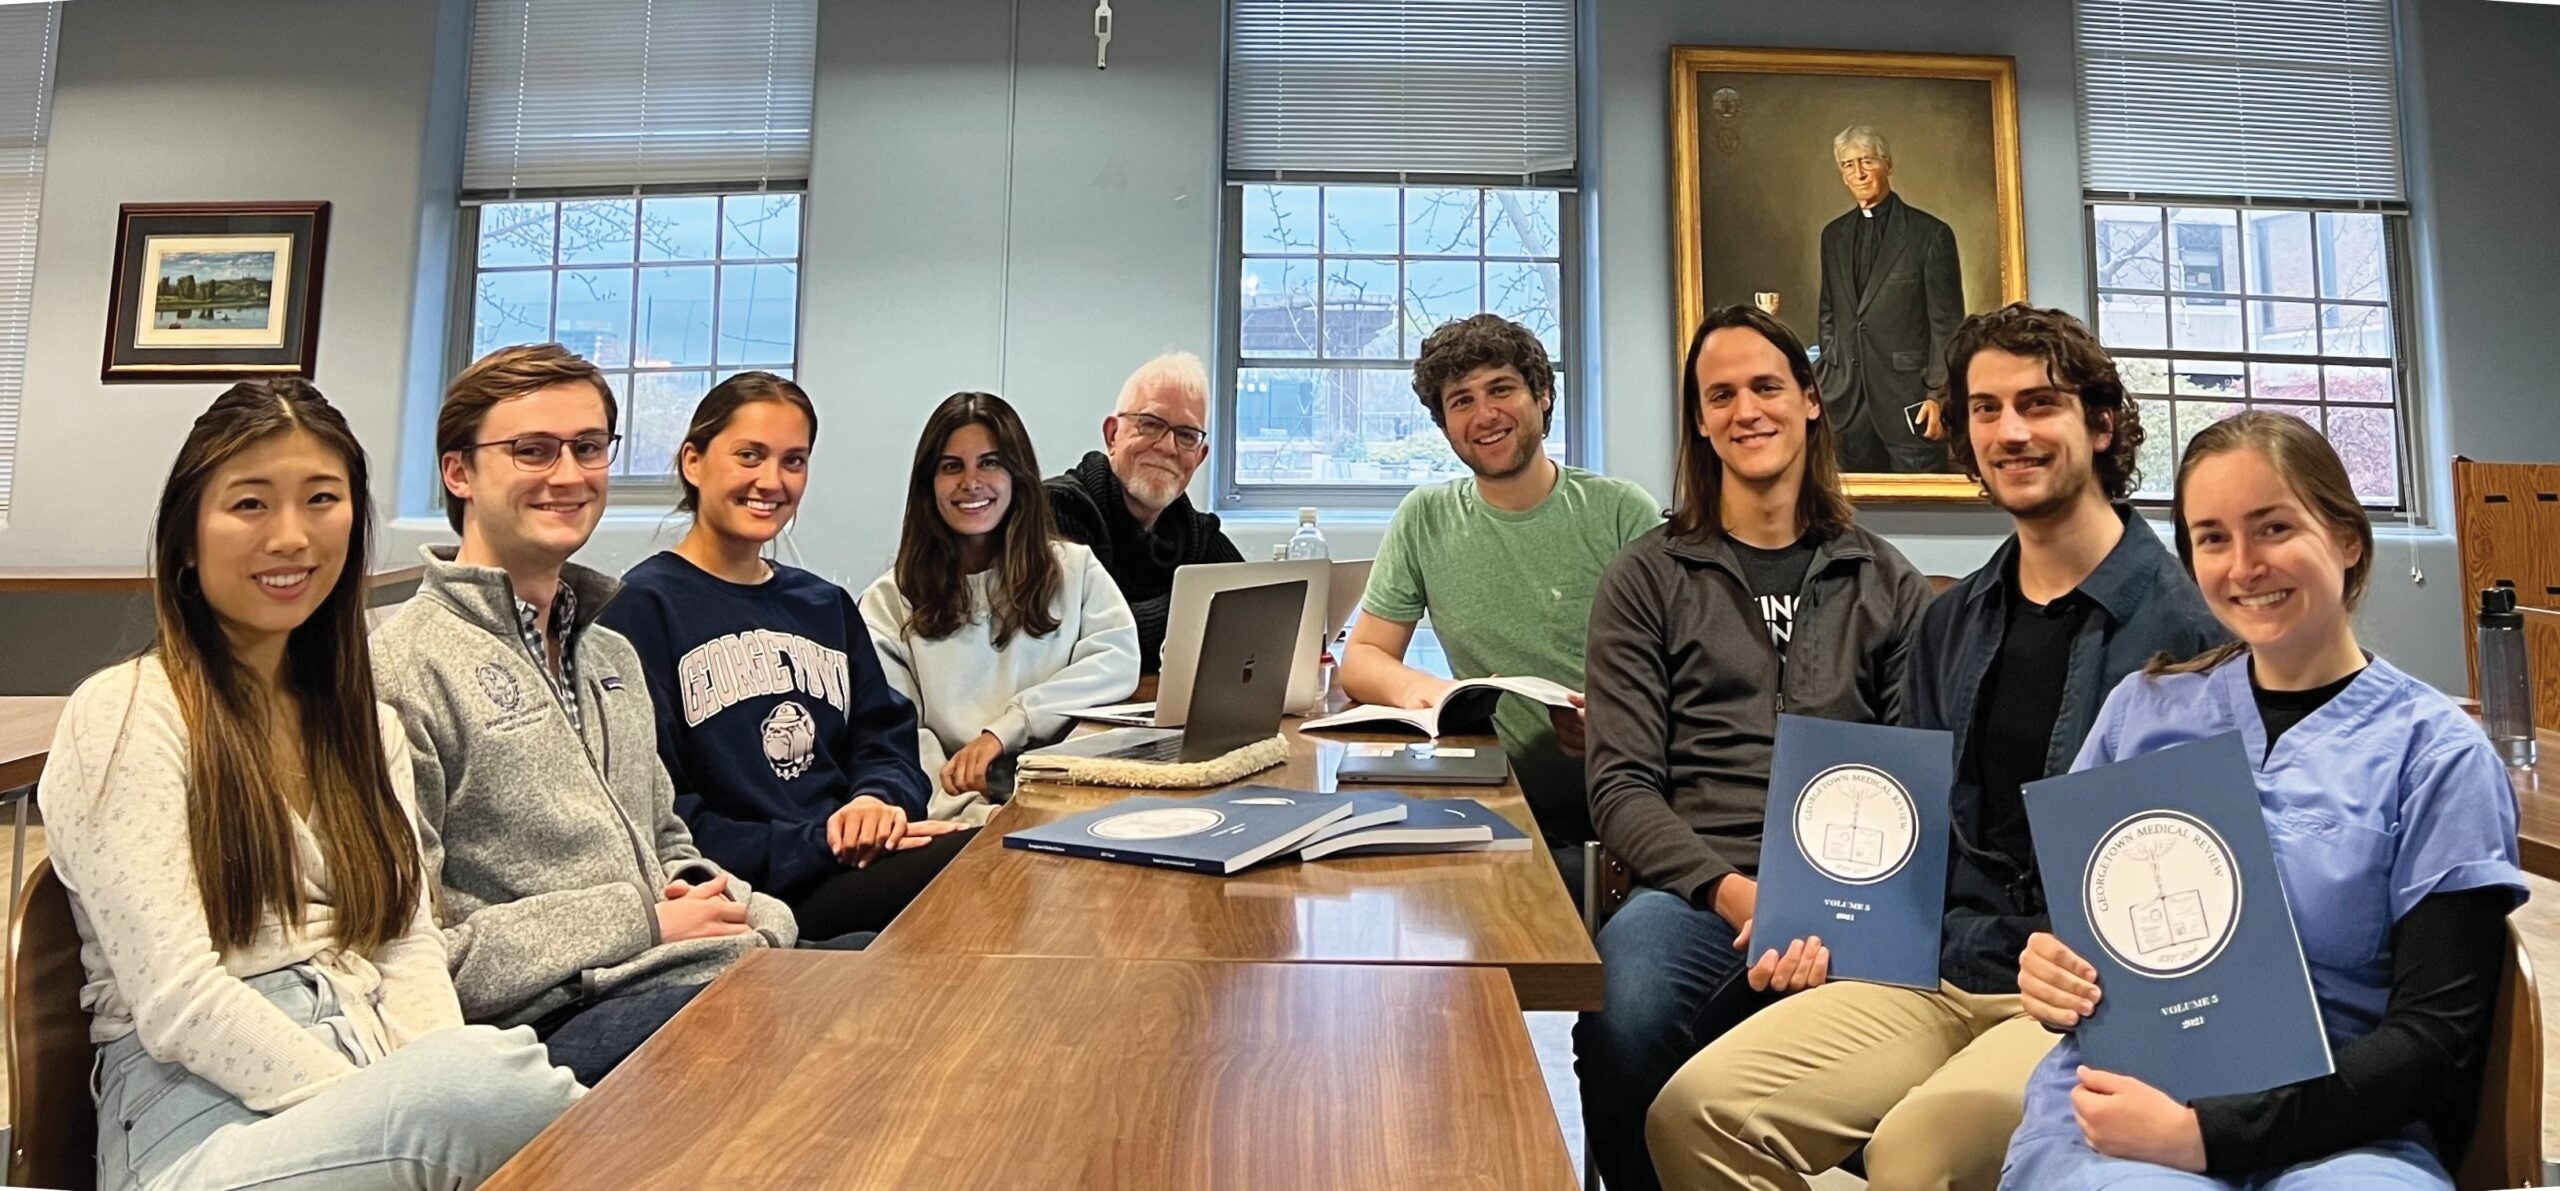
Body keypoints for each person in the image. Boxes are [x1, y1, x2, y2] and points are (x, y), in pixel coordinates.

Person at [1648, 303, 2228, 1190]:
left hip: (2075, 994)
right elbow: (1908, 830)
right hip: (1932, 969)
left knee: (1916, 1152)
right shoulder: (1950, 620)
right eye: (1985, 410)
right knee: (1697, 1113)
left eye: (2039, 404)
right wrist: (1825, 921)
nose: (2011, 431)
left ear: (2101, 424)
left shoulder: (2189, 631)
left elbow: (2194, 884)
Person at [41, 380, 579, 1191]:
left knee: (489, 1076)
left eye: (321, 499)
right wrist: (403, 1107)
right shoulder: (125, 712)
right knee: (501, 1087)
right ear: (186, 537)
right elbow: (181, 1000)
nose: (291, 537)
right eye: (250, 505)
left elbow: (406, 942)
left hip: (372, 1081)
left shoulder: (364, 725)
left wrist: (420, 1089)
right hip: (197, 1130)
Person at [2003, 411, 2526, 1190]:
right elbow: (2088, 934)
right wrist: (2051, 970)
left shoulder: (2436, 752)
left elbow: (2436, 1036)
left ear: (2347, 539)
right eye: (2212, 537)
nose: (2244, 564)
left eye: (2273, 526)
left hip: (2350, 1127)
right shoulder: (2140, 713)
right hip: (2129, 1107)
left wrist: (2210, 1135)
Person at [1577, 305, 1932, 1191]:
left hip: (1858, 900)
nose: (1747, 410)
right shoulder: (1647, 575)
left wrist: (1842, 906)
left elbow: (1919, 775)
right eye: (1721, 394)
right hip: (1697, 891)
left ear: (1811, 401)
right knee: (1625, 1019)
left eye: (1768, 386)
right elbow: (1619, 784)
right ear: (1700, 420)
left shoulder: (1887, 581)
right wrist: (1738, 893)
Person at [373, 344, 796, 1087]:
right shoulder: (401, 669)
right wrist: (639, 919)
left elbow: (668, 840)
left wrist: (750, 909)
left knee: (899, 978)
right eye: (532, 450)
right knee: (813, 1031)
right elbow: (416, 955)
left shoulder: (611, 655)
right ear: (459, 471)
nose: (568, 475)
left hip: (681, 973)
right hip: (539, 1031)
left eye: (589, 447)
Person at [600, 372, 968, 945]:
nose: (771, 481)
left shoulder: (825, 605)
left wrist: (877, 800)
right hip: (755, 888)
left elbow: (884, 739)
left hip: (850, 858)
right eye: (750, 455)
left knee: (1002, 856)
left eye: (793, 461)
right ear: (693, 462)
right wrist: (817, 841)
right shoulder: (640, 610)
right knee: (974, 874)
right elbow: (659, 810)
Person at [1339, 313, 1660, 893]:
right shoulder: (1425, 518)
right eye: (1461, 401)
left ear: (1542, 397)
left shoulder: (1622, 513)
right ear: (1445, 426)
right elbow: (1361, 659)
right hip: (1493, 808)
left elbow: (1689, 671)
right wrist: (1434, 695)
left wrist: (1619, 723)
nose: (1484, 415)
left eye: (1501, 389)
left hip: (1628, 815)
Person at [859, 391, 1141, 825]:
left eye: (990, 462)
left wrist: (1006, 729)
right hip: (955, 820)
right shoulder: (889, 601)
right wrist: (978, 819)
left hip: (1065, 803)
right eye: (952, 466)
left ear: (1018, 476)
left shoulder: (1073, 570)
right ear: (927, 484)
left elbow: (1117, 662)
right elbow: (900, 741)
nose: (971, 482)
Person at [1044, 351, 1244, 673]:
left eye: (1186, 436)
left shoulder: (1192, 530)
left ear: (1200, 456)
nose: (1167, 447)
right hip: (1069, 719)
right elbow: (1084, 643)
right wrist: (1198, 607)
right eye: (1150, 425)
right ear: (1113, 435)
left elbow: (1251, 605)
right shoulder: (1056, 511)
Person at [1815, 124, 1966, 474]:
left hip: (1909, 401)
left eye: (1867, 161)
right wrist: (1831, 373)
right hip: (1847, 407)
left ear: (1888, 165)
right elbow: (1829, 312)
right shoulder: (1833, 236)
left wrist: (1937, 396)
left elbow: (1947, 326)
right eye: (1849, 165)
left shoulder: (1930, 234)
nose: (1859, 172)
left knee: (1921, 515)